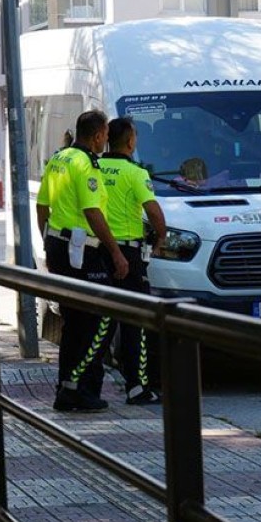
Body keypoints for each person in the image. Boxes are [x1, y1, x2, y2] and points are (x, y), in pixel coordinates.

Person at [36, 110, 129, 412]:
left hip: (59, 246)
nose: (105, 139)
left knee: (73, 322)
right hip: (83, 251)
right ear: (99, 135)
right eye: (104, 134)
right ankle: (82, 388)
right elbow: (93, 212)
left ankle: (67, 387)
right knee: (101, 317)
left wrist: (49, 245)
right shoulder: (85, 164)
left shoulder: (58, 158)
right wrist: (115, 252)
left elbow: (42, 206)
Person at [99, 117, 168, 405]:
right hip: (128, 253)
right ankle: (137, 387)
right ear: (130, 141)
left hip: (98, 250)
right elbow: (152, 210)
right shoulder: (135, 173)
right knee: (134, 321)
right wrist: (161, 236)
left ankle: (86, 382)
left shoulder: (95, 167)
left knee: (100, 320)